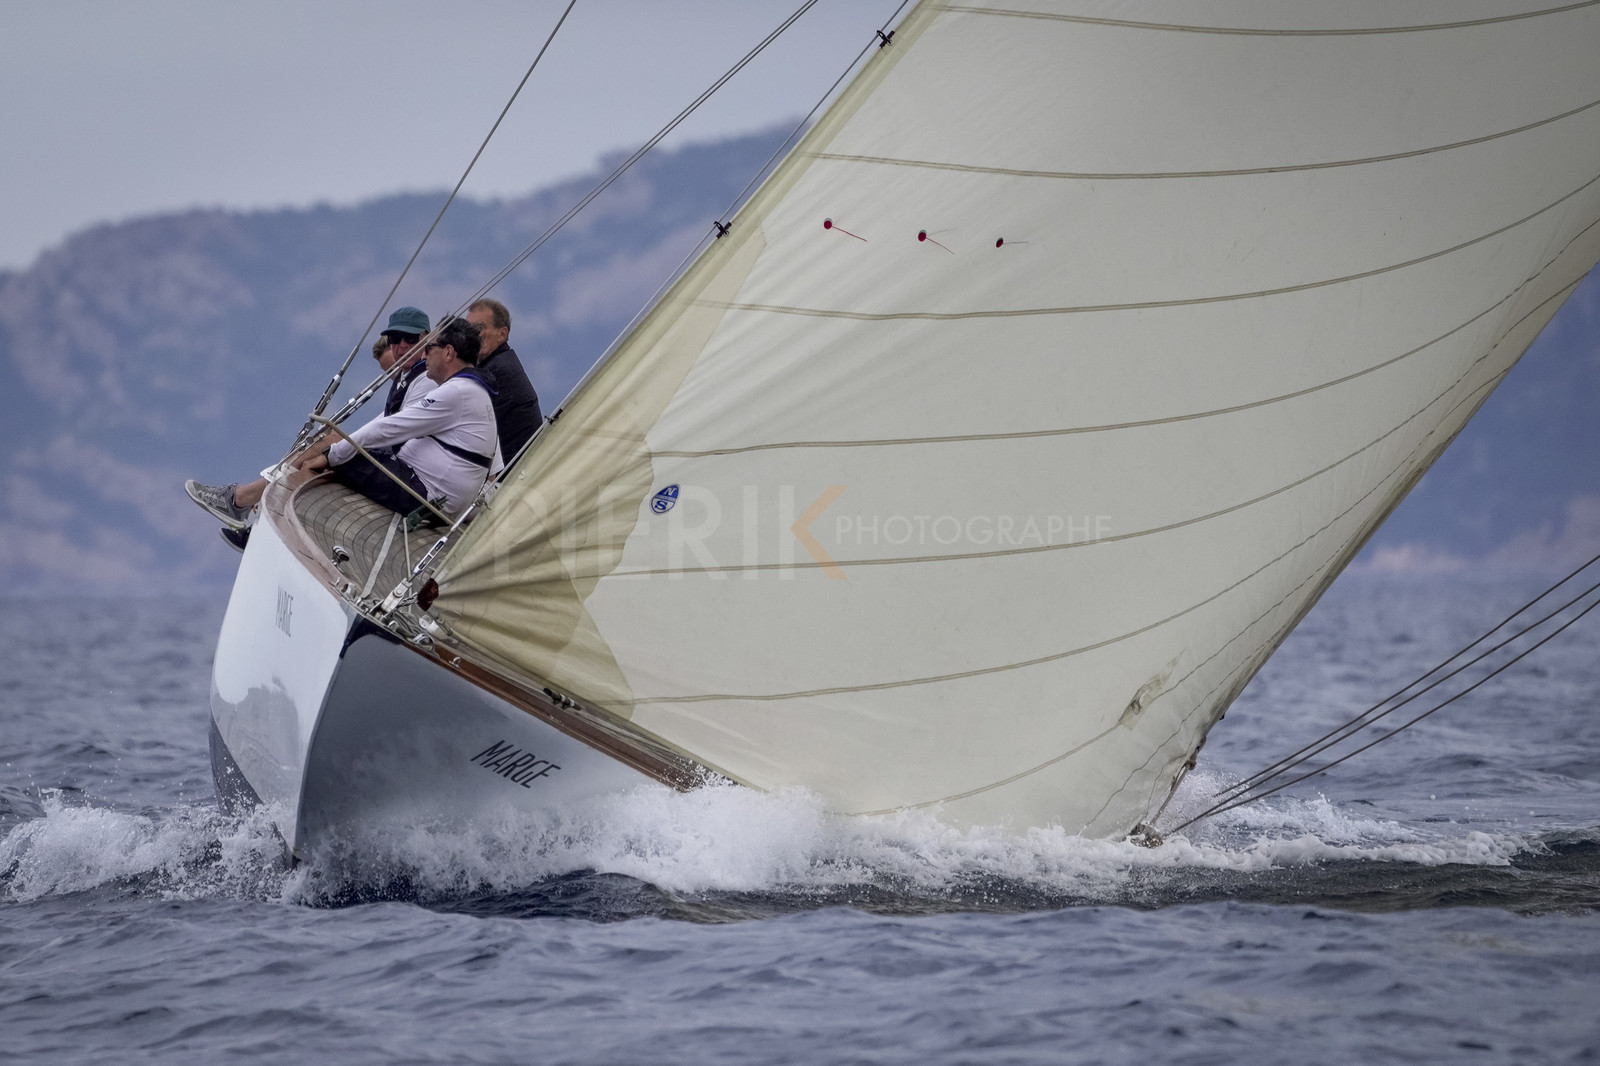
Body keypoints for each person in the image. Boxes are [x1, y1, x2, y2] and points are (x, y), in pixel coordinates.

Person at [186, 306, 434, 528]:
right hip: (403, 471)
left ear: (427, 338)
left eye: (410, 339)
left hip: (415, 483)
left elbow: (393, 432)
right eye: (395, 339)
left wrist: (334, 449)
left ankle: (243, 501)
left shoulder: (426, 380)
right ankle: (260, 519)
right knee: (326, 449)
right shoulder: (407, 379)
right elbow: (383, 425)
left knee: (329, 447)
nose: (402, 346)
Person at [298, 315, 500, 518]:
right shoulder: (472, 390)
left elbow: (389, 429)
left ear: (448, 352)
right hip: (433, 492)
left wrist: (330, 456)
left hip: (424, 496)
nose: (423, 355)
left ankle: (294, 483)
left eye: (429, 348)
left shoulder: (456, 392)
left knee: (338, 452)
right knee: (343, 447)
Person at [464, 298, 542, 460]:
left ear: (502, 334)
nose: (470, 336)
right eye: (466, 330)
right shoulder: (500, 364)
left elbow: (465, 426)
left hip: (512, 472)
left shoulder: (497, 371)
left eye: (478, 329)